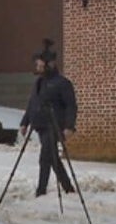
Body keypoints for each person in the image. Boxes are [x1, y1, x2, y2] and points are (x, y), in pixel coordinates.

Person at [19, 39, 76, 198]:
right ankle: (68, 187)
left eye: (40, 65)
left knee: (45, 157)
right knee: (52, 157)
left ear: (49, 65)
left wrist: (69, 126)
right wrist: (25, 122)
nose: (37, 68)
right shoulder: (39, 82)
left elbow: (71, 106)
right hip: (40, 125)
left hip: (54, 125)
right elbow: (32, 103)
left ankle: (41, 190)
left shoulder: (62, 83)